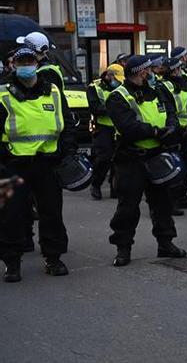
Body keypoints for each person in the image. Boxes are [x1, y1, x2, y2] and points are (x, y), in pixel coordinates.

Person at [0, 47, 77, 282]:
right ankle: (12, 262)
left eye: (29, 61)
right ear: (13, 64)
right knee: (10, 215)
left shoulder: (53, 91)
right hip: (12, 164)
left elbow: (66, 125)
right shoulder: (2, 93)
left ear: (36, 63)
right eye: (21, 61)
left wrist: (69, 151)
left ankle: (53, 258)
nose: (26, 65)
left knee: (52, 213)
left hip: (47, 163)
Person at [105, 55, 187, 266]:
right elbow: (129, 128)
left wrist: (171, 129)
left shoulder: (158, 90)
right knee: (128, 206)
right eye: (150, 70)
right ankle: (123, 248)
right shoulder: (118, 97)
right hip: (132, 158)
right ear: (142, 72)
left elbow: (171, 114)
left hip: (157, 155)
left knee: (162, 203)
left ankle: (165, 243)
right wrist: (157, 132)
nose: (153, 72)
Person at [160, 56, 187, 211]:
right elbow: (169, 110)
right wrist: (176, 128)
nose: (179, 71)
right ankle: (171, 200)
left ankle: (181, 196)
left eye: (180, 68)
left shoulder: (184, 81)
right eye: (177, 69)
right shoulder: (164, 86)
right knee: (175, 166)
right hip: (174, 132)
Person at [86, 64, 123, 200]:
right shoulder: (94, 87)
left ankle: (115, 187)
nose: (118, 81)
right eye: (115, 78)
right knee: (104, 158)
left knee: (119, 158)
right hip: (103, 127)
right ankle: (96, 184)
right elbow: (95, 107)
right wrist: (114, 109)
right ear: (109, 75)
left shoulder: (121, 85)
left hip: (118, 127)